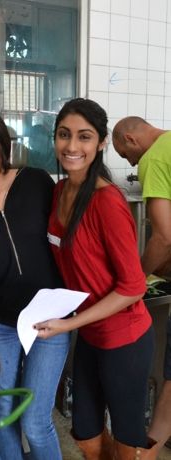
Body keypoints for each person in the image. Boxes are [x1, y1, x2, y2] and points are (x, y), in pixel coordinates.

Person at [34, 99, 156, 459]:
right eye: (64, 135)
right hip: (89, 335)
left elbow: (133, 286)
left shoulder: (106, 202)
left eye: (84, 137)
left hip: (125, 338)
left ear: (101, 142)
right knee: (86, 434)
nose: (72, 147)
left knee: (126, 438)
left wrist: (69, 322)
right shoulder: (59, 192)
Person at [0, 111, 70, 460]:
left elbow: (67, 234)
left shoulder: (36, 182)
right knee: (4, 415)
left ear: (3, 148)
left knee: (35, 420)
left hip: (49, 321)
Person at [112, 116, 171, 453]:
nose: (131, 163)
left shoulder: (154, 158)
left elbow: (163, 236)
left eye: (126, 156)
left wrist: (136, 279)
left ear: (131, 140)